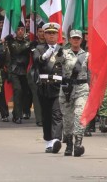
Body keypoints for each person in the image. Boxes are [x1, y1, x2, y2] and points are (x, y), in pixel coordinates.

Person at [32, 22, 63, 154]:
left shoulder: (62, 50)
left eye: (54, 33)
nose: (51, 35)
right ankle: (48, 141)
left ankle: (56, 140)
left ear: (57, 35)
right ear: (44, 35)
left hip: (58, 86)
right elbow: (36, 61)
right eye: (49, 33)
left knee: (57, 114)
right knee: (46, 115)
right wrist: (45, 55)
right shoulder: (39, 49)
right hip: (44, 86)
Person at [58, 30, 89, 157]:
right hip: (67, 89)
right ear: (69, 40)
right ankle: (69, 143)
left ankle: (78, 142)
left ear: (81, 40)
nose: (76, 40)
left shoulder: (87, 55)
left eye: (78, 38)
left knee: (79, 115)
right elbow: (55, 62)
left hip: (82, 87)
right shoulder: (64, 53)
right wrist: (58, 52)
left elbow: (92, 73)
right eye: (73, 38)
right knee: (68, 119)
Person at [6, 22, 31, 124]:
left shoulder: (27, 42)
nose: (20, 31)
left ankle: (25, 111)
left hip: (24, 71)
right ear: (15, 31)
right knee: (18, 90)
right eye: (18, 29)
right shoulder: (12, 42)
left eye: (22, 29)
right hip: (14, 70)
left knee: (26, 93)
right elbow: (17, 50)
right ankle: (17, 115)